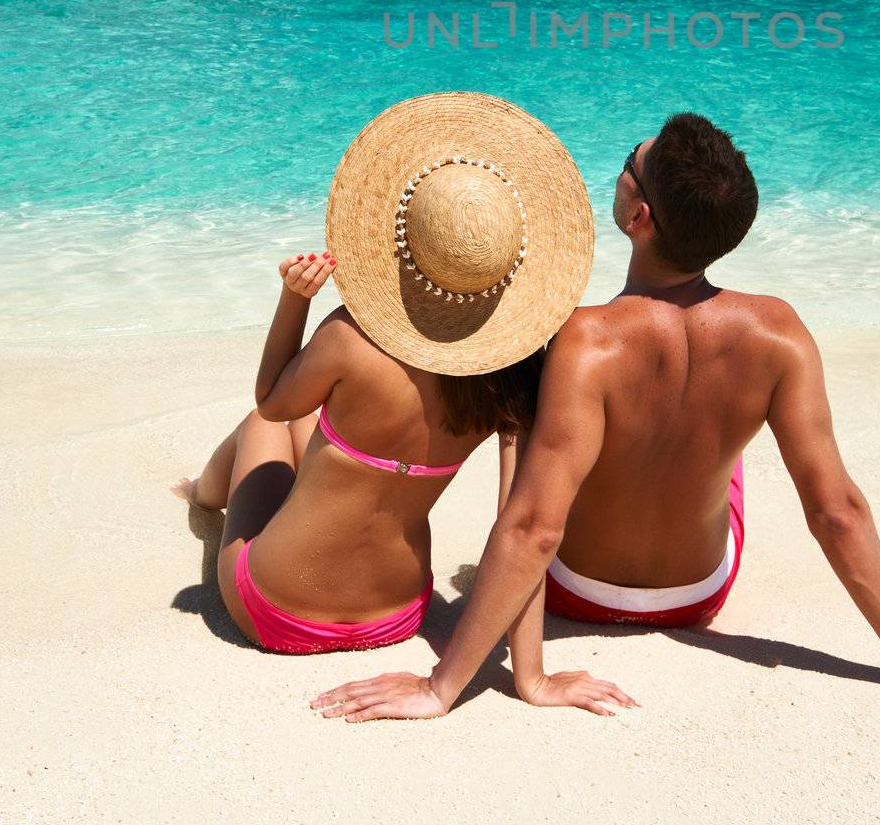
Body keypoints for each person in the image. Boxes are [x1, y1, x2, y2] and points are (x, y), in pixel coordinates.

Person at [313, 111, 880, 722]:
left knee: (544, 432)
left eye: (628, 162)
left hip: (578, 589)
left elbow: (533, 525)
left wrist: (445, 686)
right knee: (720, 449)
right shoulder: (780, 333)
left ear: (637, 217)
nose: (625, 163)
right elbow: (837, 511)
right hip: (701, 594)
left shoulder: (582, 341)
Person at [174, 91, 634, 715]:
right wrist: (534, 678)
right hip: (398, 615)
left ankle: (203, 494)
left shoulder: (349, 338)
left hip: (276, 611)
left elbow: (274, 400)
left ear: (402, 241)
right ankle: (208, 490)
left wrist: (294, 300)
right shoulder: (514, 374)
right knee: (324, 435)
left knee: (261, 423)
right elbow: (522, 528)